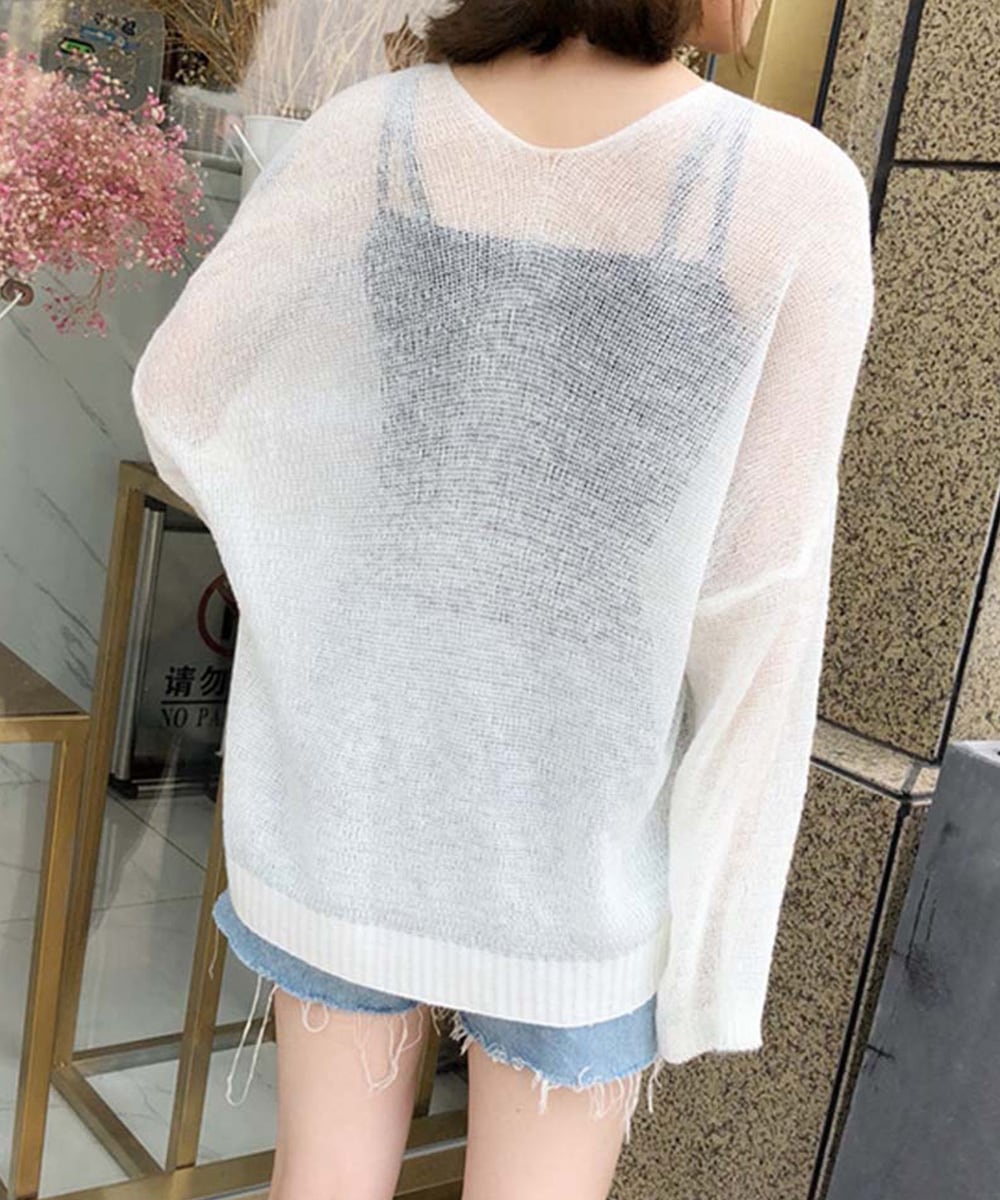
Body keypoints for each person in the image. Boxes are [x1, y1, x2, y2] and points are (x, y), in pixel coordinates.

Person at [131, 1, 876, 1196]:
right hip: (583, 842)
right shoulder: (790, 185)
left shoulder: (375, 133)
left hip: (351, 785)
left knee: (321, 1181)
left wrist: (328, 576)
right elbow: (761, 591)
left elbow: (186, 395)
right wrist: (714, 954)